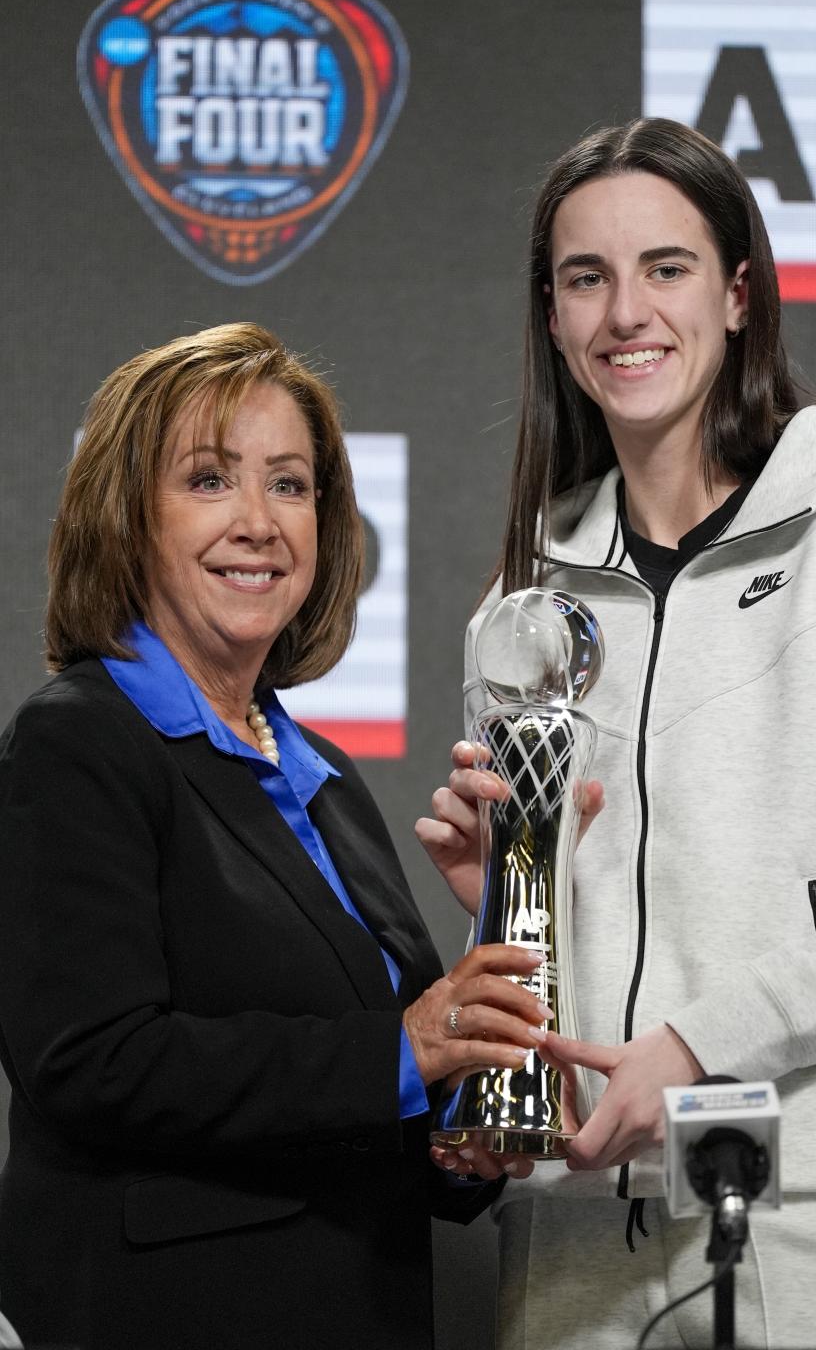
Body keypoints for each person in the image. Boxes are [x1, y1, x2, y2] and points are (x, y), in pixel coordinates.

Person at [418, 119, 816, 1349]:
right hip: (569, 1228)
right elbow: (560, 931)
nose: (626, 313)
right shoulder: (524, 603)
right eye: (585, 277)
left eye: (665, 268)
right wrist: (509, 894)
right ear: (551, 317)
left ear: (738, 294)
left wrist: (705, 1044)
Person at [0, 323, 544, 1350]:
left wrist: (457, 1134)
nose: (260, 522)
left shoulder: (325, 777)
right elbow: (93, 1061)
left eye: (291, 486)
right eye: (210, 481)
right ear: (125, 516)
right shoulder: (77, 743)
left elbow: (364, 1091)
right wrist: (401, 1048)